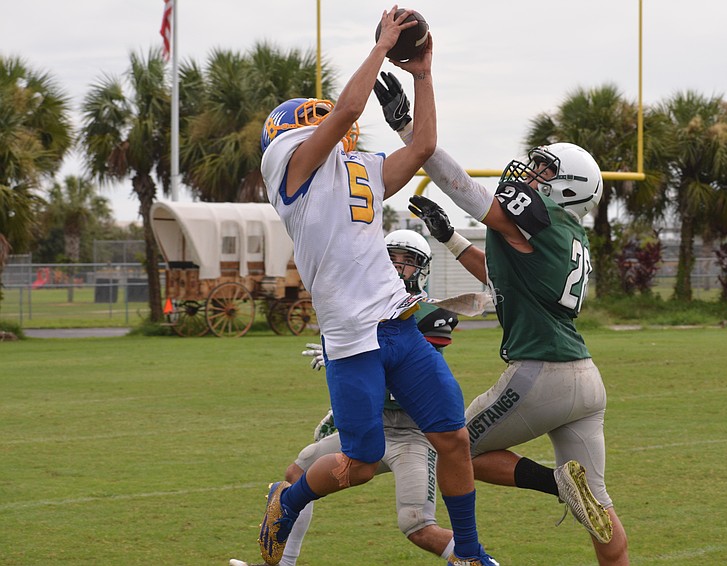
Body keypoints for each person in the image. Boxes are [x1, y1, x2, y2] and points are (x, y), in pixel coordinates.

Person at [257, 8, 496, 566]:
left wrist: (423, 73)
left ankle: (472, 554)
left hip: (397, 323)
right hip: (350, 335)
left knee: (453, 437)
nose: (336, 132)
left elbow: (423, 148)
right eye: (313, 123)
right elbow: (343, 112)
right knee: (359, 462)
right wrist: (385, 41)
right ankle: (289, 502)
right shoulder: (290, 168)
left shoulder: (355, 169)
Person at [373, 72, 630, 565]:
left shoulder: (544, 219)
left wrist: (410, 131)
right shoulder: (569, 238)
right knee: (600, 507)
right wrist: (450, 239)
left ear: (568, 189)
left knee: (449, 444)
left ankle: (556, 484)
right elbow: (501, 278)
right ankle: (580, 501)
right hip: (584, 377)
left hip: (541, 374)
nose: (531, 176)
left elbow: (464, 187)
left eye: (544, 171)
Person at [264, 230, 462, 565]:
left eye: (408, 261)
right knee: (296, 474)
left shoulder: (426, 314)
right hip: (375, 426)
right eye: (392, 258)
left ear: (421, 269)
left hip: (412, 434)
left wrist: (353, 357)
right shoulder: (360, 308)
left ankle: (481, 561)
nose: (399, 267)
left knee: (418, 526)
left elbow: (401, 370)